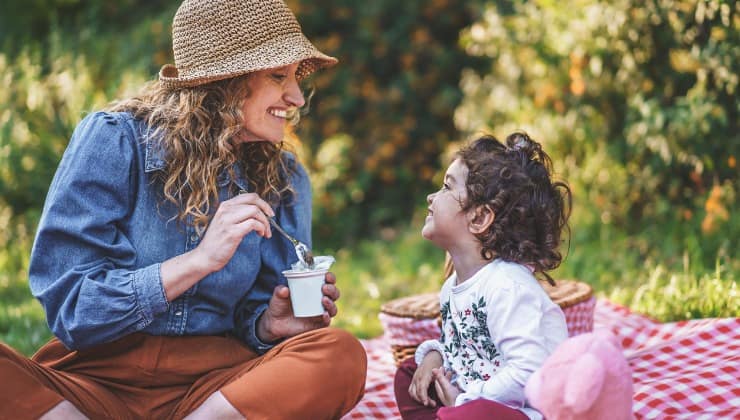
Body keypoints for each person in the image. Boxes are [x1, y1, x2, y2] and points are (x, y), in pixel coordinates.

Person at [0, 0, 367, 418]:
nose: (297, 96)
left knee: (339, 354)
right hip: (92, 384)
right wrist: (198, 261)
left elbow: (255, 319)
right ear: (224, 83)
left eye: (296, 77)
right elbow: (73, 310)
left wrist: (270, 325)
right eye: (278, 75)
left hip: (216, 392)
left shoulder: (284, 178)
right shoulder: (115, 141)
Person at [393, 133, 573, 420]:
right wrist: (433, 358)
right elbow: (464, 353)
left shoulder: (507, 286)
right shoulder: (453, 286)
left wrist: (466, 402)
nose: (431, 197)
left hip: (520, 412)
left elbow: (529, 372)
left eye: (446, 188)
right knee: (409, 376)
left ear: (479, 218)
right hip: (470, 398)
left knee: (475, 414)